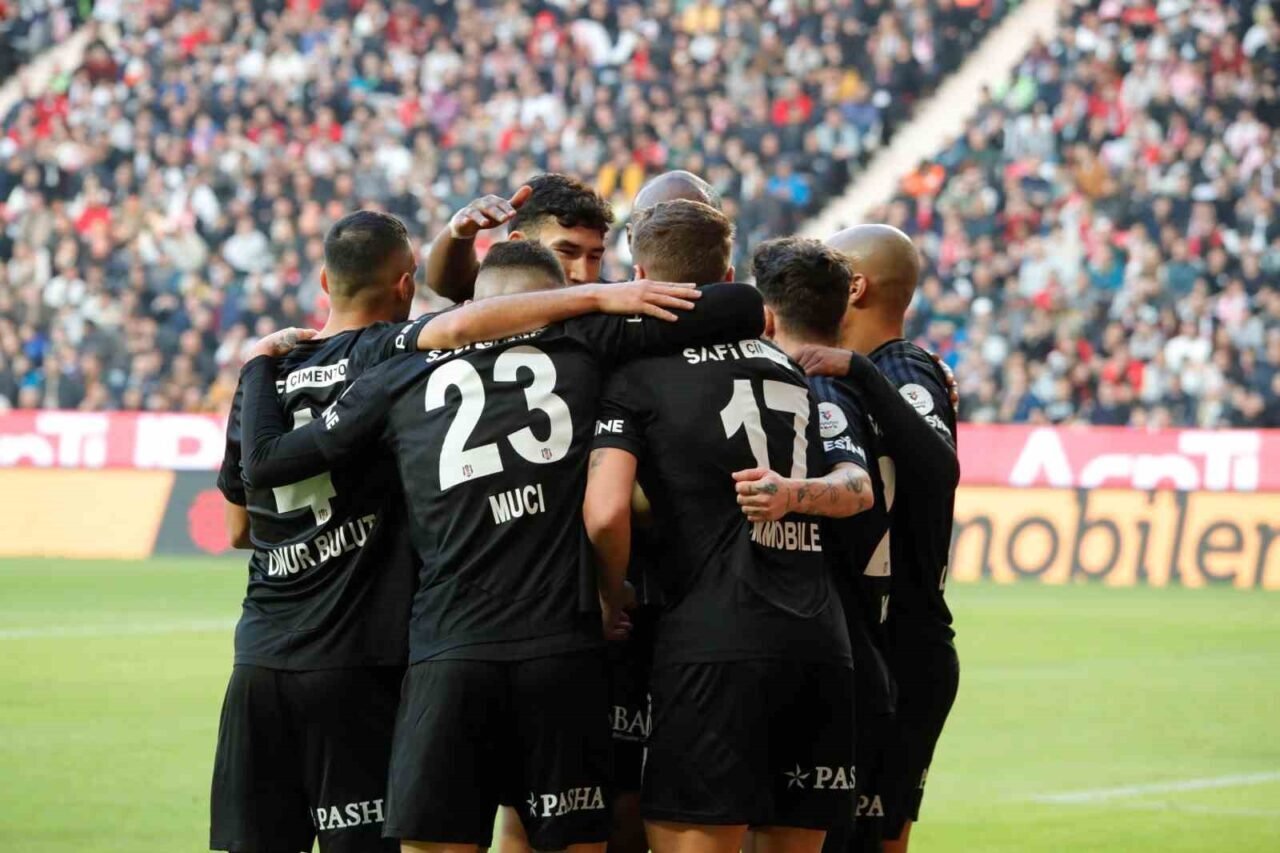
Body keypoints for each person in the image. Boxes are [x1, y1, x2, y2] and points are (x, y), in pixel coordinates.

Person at [230, 238, 768, 853]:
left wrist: (258, 364)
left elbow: (267, 463)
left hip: (447, 651)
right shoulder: (585, 341)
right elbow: (741, 305)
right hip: (562, 649)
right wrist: (591, 302)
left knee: (434, 844)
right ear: (552, 300)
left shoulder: (401, 373)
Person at [585, 208, 875, 853]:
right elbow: (858, 489)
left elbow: (604, 511)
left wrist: (609, 595)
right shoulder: (789, 369)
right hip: (819, 644)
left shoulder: (638, 375)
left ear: (640, 276)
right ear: (726, 276)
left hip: (713, 645)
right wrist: (792, 495)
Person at [796, 225, 962, 853]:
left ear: (855, 287)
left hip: (904, 646)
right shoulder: (841, 371)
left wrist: (863, 375)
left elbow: (939, 467)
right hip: (866, 644)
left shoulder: (902, 368)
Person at [424, 173, 615, 301]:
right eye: (566, 252)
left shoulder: (612, 306)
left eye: (594, 257)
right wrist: (460, 232)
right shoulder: (499, 298)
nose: (583, 275)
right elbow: (448, 284)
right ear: (518, 244)